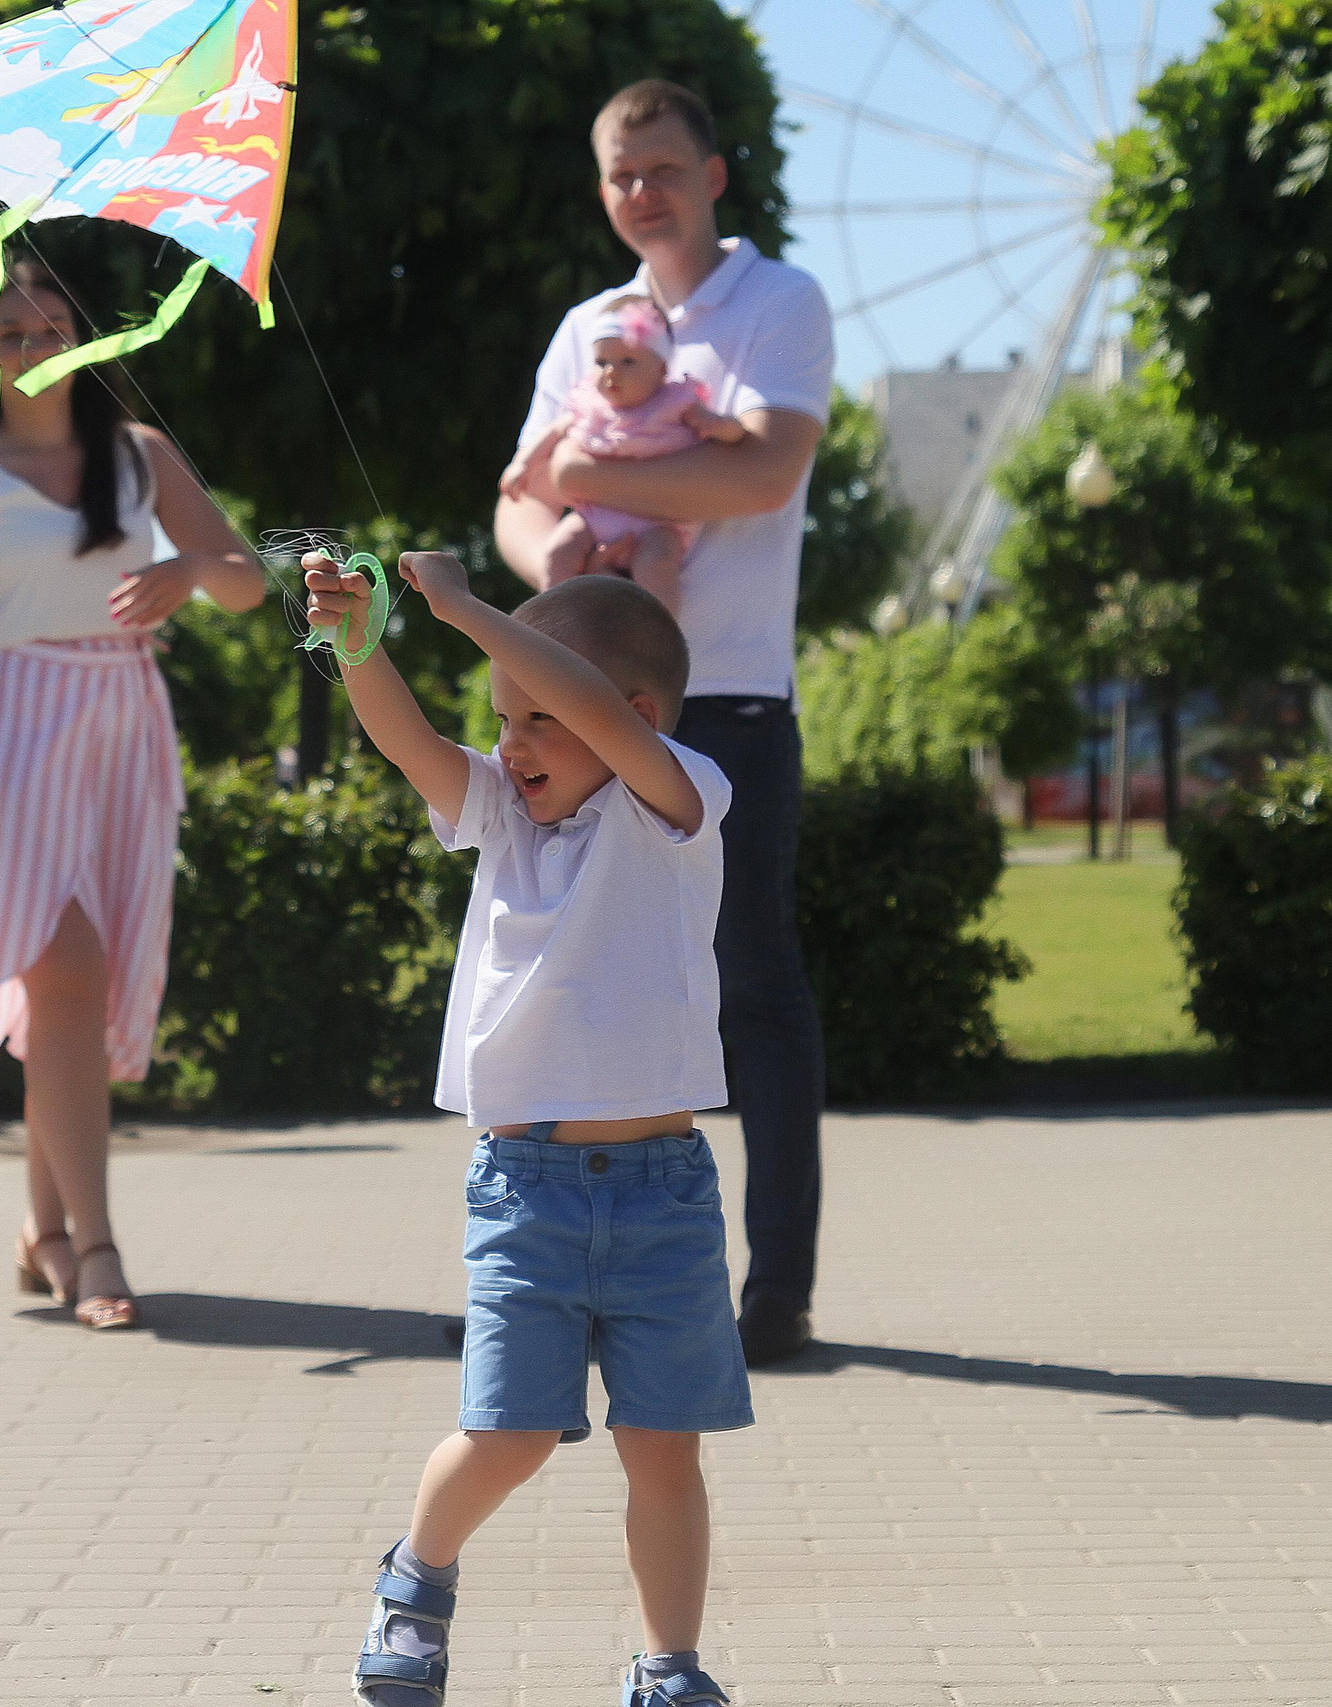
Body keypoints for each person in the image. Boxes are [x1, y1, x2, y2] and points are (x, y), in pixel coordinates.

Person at [304, 550, 750, 1707]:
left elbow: (598, 711)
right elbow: (405, 737)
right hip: (526, 1188)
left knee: (664, 1449)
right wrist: (363, 637)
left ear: (632, 718)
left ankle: (669, 1668)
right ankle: (415, 1581)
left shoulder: (679, 800)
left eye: (536, 716)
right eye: (502, 718)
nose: (511, 742)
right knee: (506, 1432)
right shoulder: (500, 812)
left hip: (663, 1193)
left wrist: (466, 607)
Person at [0, 262, 268, 1330]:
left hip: (123, 720)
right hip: (10, 728)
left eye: (56, 325)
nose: (38, 344)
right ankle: (96, 1247)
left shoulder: (140, 455)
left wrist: (188, 573)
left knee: (76, 988)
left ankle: (41, 1230)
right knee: (65, 966)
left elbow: (246, 578)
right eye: (15, 331)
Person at [496, 79, 833, 1367]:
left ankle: (779, 1289)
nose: (643, 192)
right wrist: (555, 550)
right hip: (590, 710)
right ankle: (596, 1280)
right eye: (620, 174)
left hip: (731, 698)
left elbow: (759, 472)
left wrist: (589, 472)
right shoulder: (586, 324)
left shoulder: (776, 305)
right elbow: (518, 505)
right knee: (587, 983)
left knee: (755, 992)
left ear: (713, 177)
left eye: (663, 169)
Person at [498, 293, 747, 612]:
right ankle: (560, 620)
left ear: (660, 368)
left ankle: (659, 634)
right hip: (595, 515)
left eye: (627, 361)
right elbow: (552, 433)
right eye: (602, 362)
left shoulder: (676, 404)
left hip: (659, 520)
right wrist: (522, 465)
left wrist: (719, 425)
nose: (611, 372)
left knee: (656, 566)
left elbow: (738, 433)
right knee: (557, 551)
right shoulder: (589, 405)